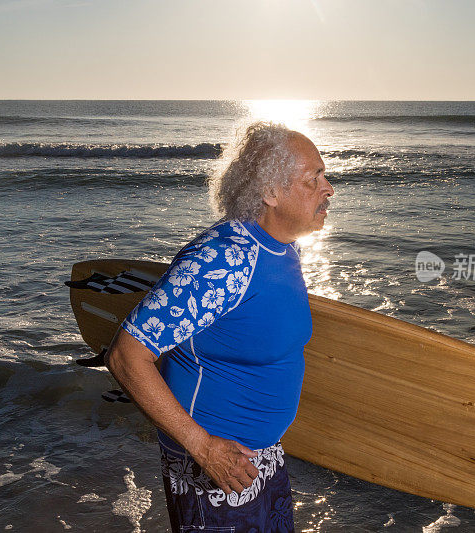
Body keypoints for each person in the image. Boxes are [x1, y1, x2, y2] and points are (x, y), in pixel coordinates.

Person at [107, 121, 334, 532]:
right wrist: (203, 447)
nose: (329, 188)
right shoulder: (223, 261)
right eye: (312, 180)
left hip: (262, 457)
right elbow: (126, 354)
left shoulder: (284, 248)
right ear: (270, 193)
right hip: (214, 466)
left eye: (324, 175)